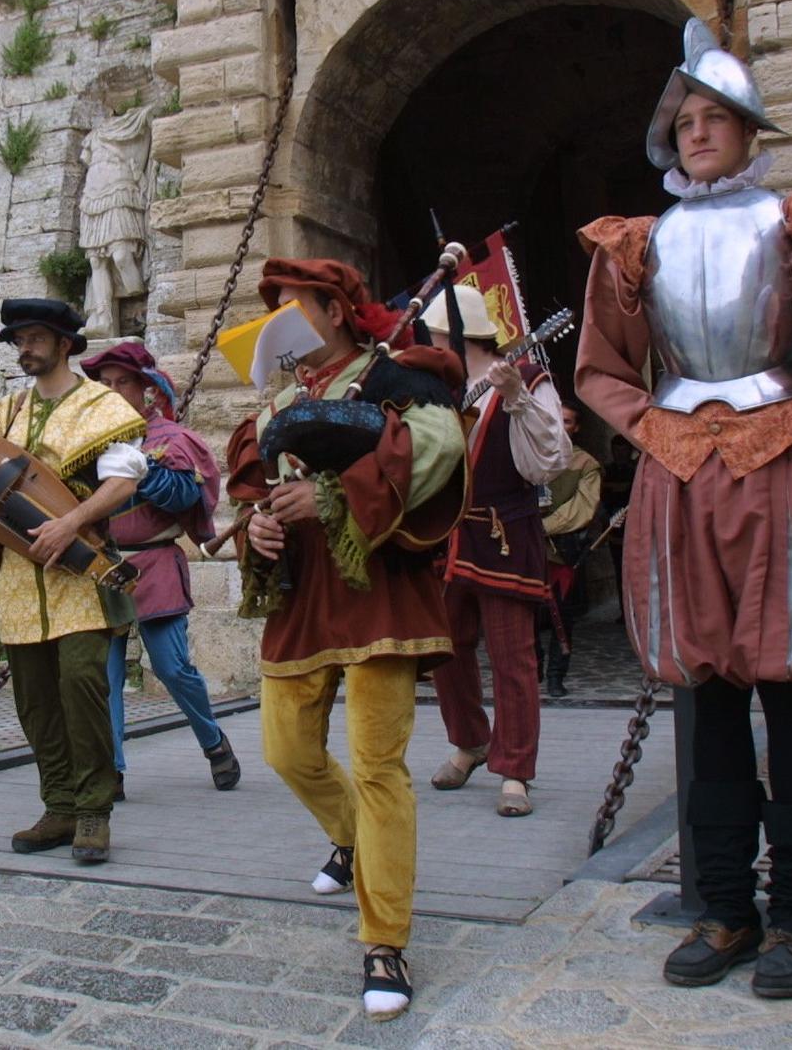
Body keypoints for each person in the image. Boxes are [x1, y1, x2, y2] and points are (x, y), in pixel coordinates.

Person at [575, 19, 792, 1000]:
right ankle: (723, 904)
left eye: (716, 117)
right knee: (707, 691)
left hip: (784, 452)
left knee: (788, 683)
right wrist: (651, 429)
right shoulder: (636, 246)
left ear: (749, 131)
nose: (696, 130)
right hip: (679, 468)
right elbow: (600, 369)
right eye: (685, 117)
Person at [226, 259, 467, 1022]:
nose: (280, 325)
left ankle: (384, 939)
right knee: (285, 750)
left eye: (292, 306)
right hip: (302, 595)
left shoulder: (400, 377)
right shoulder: (281, 402)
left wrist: (330, 494)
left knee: (378, 766)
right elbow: (257, 486)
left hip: (378, 594)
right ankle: (353, 840)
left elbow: (436, 452)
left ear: (332, 307)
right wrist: (260, 523)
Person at [0, 299, 148, 865]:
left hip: (79, 571)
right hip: (17, 577)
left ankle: (93, 812)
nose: (25, 348)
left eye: (35, 338)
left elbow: (125, 478)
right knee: (34, 700)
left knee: (82, 687)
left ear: (64, 343)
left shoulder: (100, 405)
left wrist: (72, 522)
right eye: (19, 339)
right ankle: (57, 806)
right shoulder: (4, 411)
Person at [426, 284, 572, 817]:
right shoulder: (435, 385)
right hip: (447, 537)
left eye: (438, 335)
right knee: (446, 648)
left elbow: (550, 461)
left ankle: (514, 769)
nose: (431, 342)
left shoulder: (528, 378)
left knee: (513, 656)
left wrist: (515, 399)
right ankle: (470, 742)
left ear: (460, 335)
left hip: (505, 533)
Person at [78, 340, 240, 799]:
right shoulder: (89, 441)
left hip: (155, 562)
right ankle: (112, 771)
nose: (111, 390)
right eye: (104, 383)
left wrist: (144, 467)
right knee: (104, 678)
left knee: (172, 667)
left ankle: (214, 742)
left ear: (145, 387)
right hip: (103, 566)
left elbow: (186, 498)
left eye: (122, 382)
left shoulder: (170, 439)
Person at [538, 402, 602, 698]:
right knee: (525, 617)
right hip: (529, 550)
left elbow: (583, 508)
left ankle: (555, 676)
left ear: (575, 427)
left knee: (561, 618)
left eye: (567, 421)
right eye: (556, 419)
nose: (561, 426)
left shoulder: (586, 464)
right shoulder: (530, 456)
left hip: (562, 551)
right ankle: (533, 670)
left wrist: (542, 527)